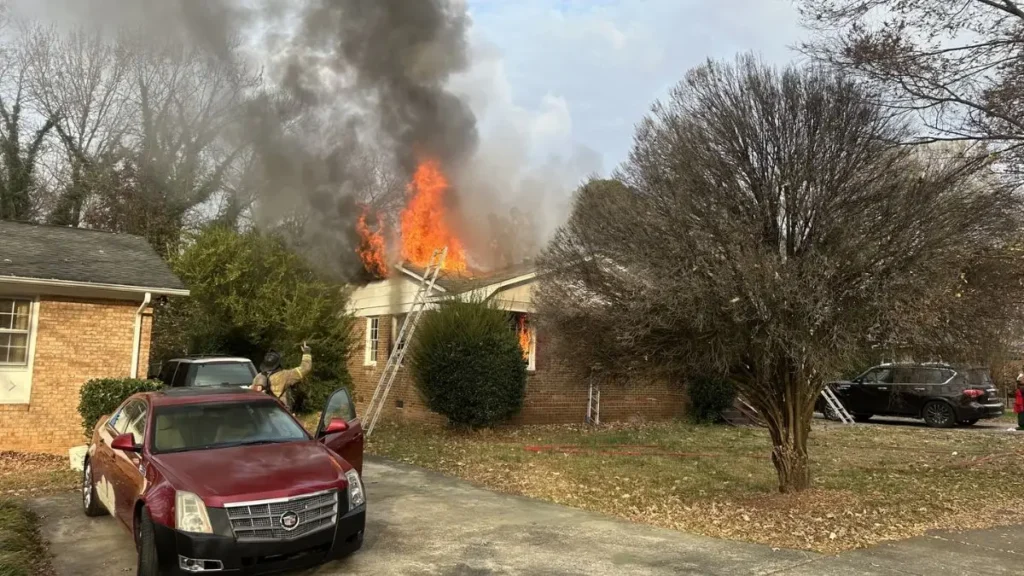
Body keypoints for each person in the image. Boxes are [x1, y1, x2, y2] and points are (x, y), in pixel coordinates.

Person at [251, 342, 312, 411]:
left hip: (263, 413)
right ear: (278, 363)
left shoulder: (258, 376)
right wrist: (307, 353)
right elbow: (305, 368)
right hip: (280, 412)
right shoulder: (285, 375)